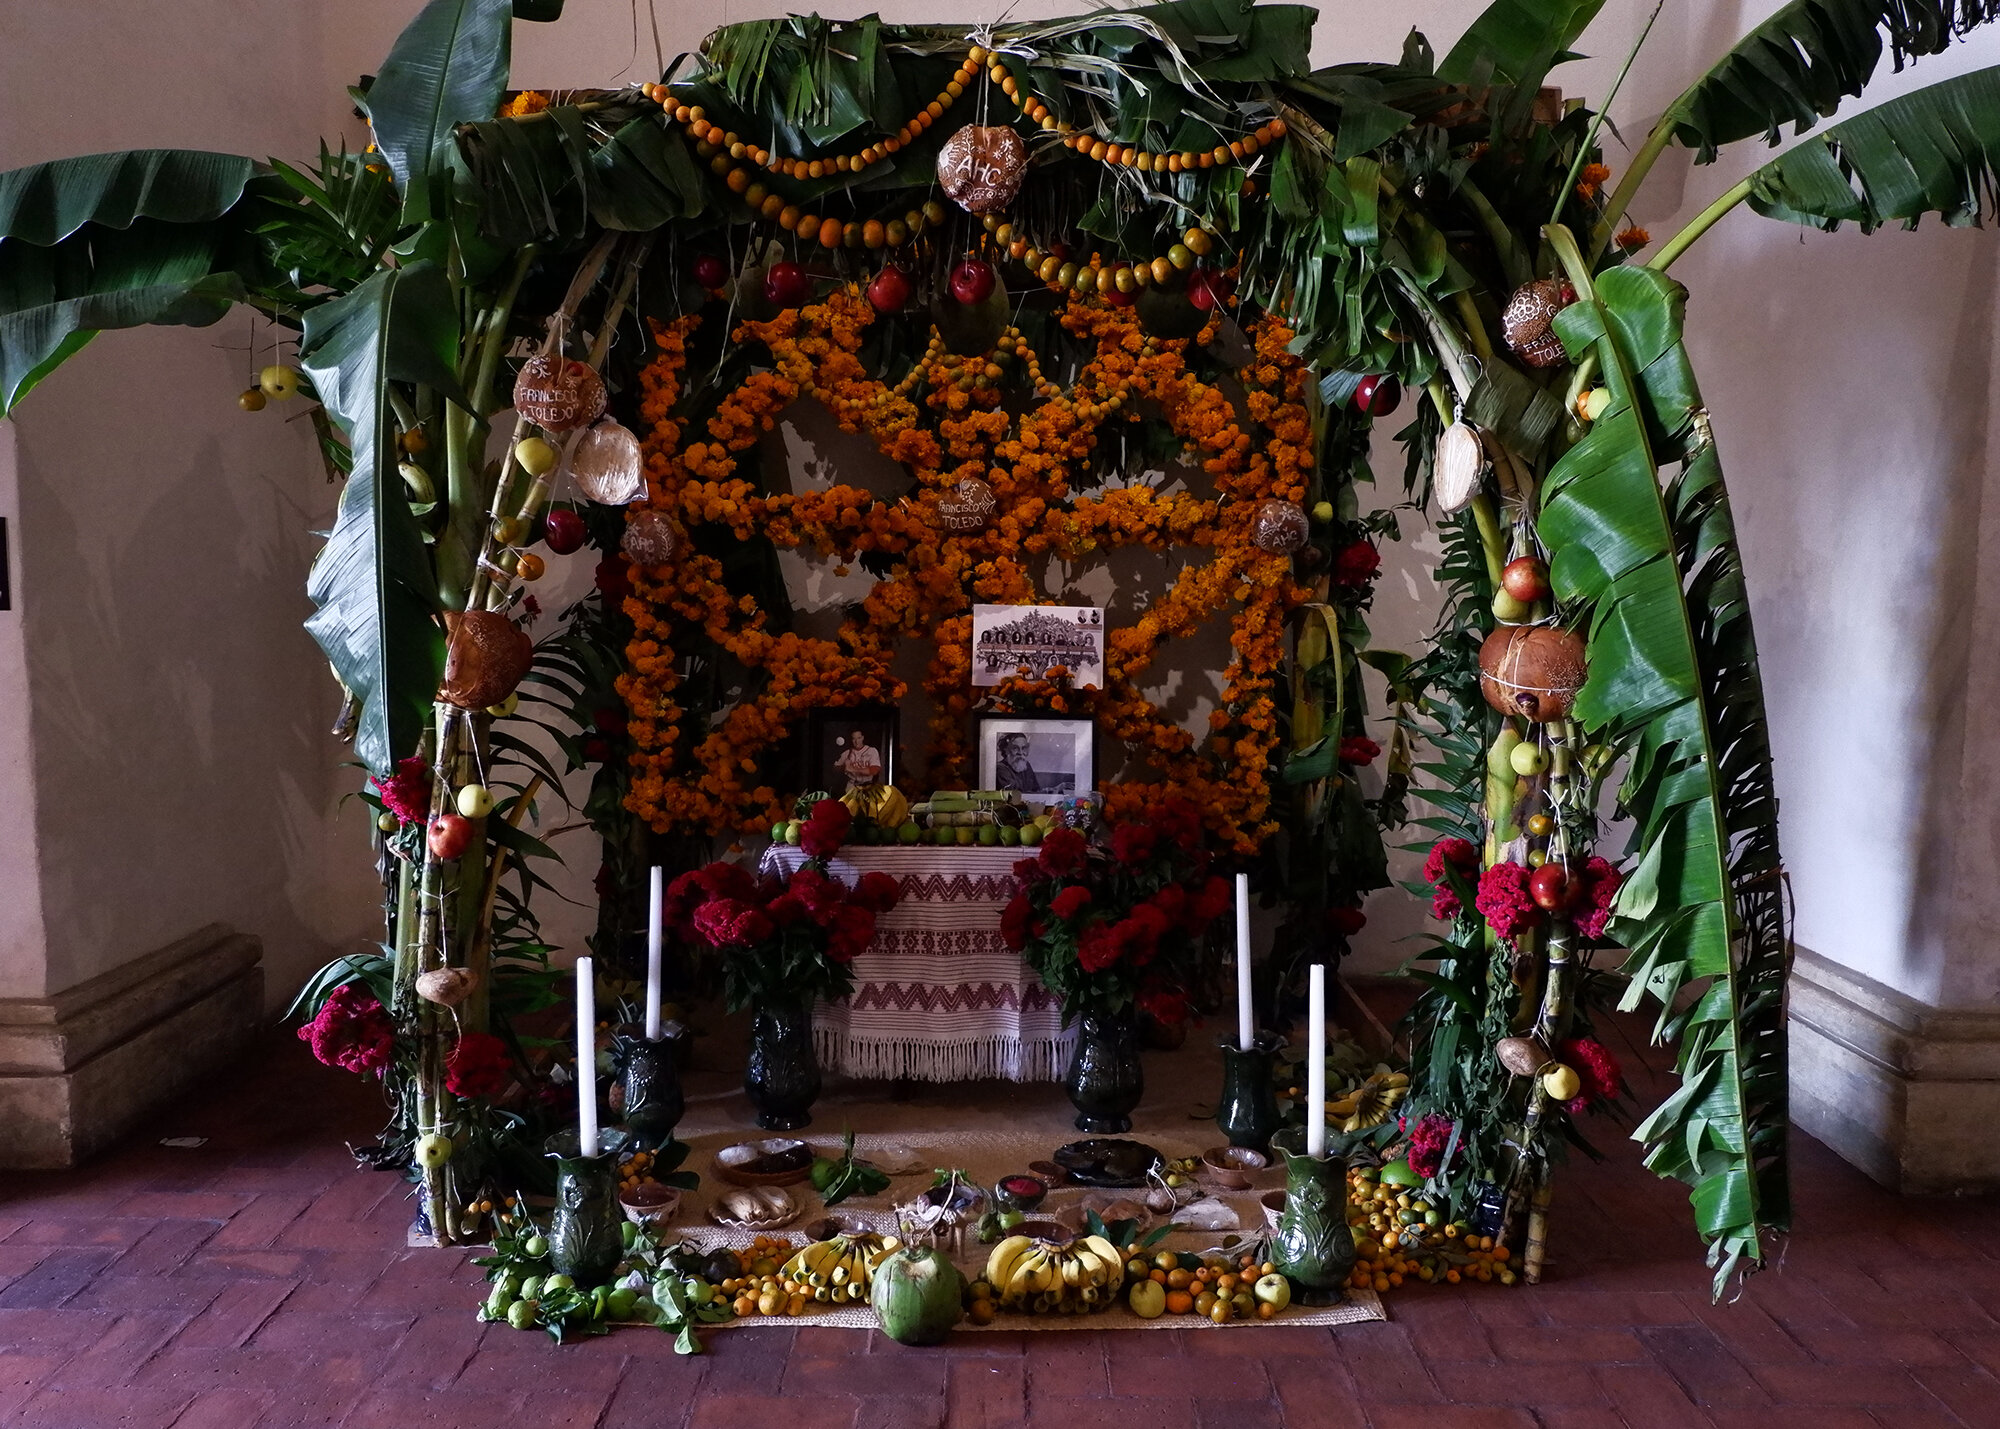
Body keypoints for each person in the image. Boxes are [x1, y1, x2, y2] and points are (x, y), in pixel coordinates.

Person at [993, 732, 1070, 795]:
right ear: (1005, 750)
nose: (1020, 753)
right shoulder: (1000, 769)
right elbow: (1016, 797)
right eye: (1015, 748)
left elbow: (1036, 791)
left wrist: (1056, 788)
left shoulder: (1026, 766)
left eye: (1024, 748)